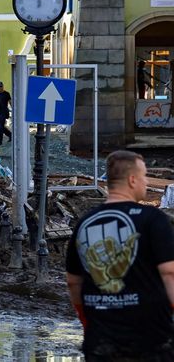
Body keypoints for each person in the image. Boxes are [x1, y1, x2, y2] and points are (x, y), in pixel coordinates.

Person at [66, 150, 174, 361]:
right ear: (132, 180)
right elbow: (169, 273)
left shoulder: (85, 222)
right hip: (150, 340)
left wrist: (86, 321)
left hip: (100, 342)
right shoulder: (153, 219)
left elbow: (72, 282)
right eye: (144, 176)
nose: (145, 182)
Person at [0, 81, 12, 146]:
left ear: (3, 86)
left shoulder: (7, 94)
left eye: (1, 86)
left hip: (4, 112)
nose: (0, 88)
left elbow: (10, 102)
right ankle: (10, 135)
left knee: (1, 126)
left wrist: (13, 110)